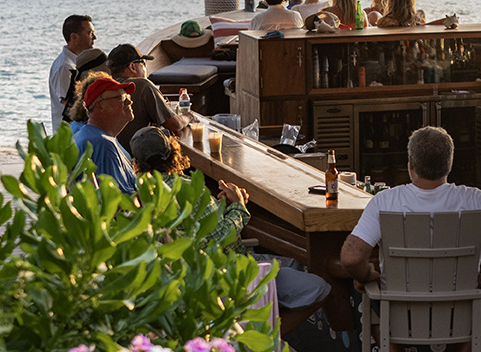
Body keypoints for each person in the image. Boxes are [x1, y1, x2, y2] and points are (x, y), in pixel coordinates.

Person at [340, 127, 481, 351]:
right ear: (449, 163)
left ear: (410, 163)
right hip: (460, 308)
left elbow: (351, 258)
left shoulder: (384, 202)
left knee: (382, 304)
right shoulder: (478, 200)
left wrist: (367, 276)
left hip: (399, 309)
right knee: (472, 305)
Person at [131, 127, 331, 337]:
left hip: (182, 284)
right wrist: (239, 206)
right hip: (226, 275)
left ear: (137, 163)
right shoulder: (191, 188)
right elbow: (218, 239)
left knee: (294, 263)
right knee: (319, 287)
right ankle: (261, 340)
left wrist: (220, 209)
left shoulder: (140, 191)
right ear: (174, 150)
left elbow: (194, 229)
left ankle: (255, 331)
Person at [107, 44, 186, 152]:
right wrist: (187, 117)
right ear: (133, 67)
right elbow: (174, 125)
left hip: (115, 154)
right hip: (140, 158)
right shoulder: (141, 85)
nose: (145, 68)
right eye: (143, 63)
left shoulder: (105, 88)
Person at [72, 74, 142, 195]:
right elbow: (119, 203)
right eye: (121, 97)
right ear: (100, 105)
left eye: (127, 96)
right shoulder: (101, 143)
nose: (129, 101)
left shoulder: (98, 136)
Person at [48, 14, 96, 129]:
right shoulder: (65, 67)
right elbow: (70, 108)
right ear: (74, 37)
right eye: (89, 33)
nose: (94, 37)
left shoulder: (74, 63)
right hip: (70, 137)